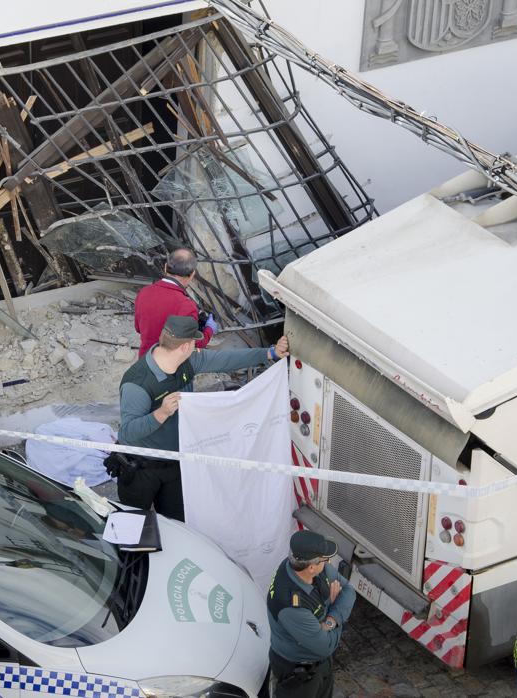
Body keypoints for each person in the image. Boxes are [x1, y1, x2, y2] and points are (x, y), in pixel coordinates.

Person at [114, 315, 287, 520]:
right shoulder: (138, 383)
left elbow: (226, 360)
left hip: (175, 462)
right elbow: (128, 432)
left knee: (176, 523)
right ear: (185, 347)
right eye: (194, 343)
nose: (197, 347)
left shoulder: (189, 362)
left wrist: (269, 353)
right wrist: (161, 413)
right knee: (133, 524)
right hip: (140, 468)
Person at [266, 530, 355, 698]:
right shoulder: (291, 605)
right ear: (311, 567)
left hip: (319, 665)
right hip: (298, 674)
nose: (328, 563)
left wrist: (330, 620)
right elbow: (325, 646)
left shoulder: (300, 564)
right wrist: (335, 609)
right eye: (325, 560)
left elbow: (349, 591)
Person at [133, 248, 216, 357]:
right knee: (185, 374)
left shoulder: (144, 292)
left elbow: (138, 328)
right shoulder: (187, 306)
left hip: (145, 360)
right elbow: (195, 344)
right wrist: (209, 329)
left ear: (166, 267)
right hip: (171, 367)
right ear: (192, 274)